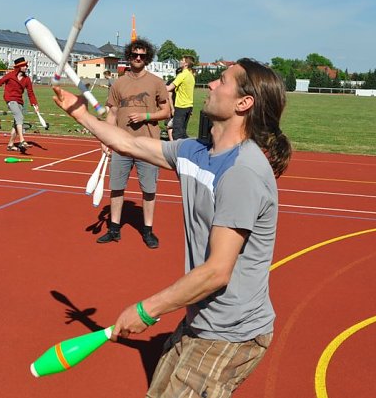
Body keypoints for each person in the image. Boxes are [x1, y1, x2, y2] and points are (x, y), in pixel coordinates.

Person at [52, 58, 292, 397]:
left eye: (221, 81)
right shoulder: (196, 151)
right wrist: (80, 114)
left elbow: (217, 272)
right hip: (202, 318)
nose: (210, 85)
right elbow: (130, 144)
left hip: (230, 331)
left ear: (243, 103)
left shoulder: (242, 173)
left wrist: (146, 310)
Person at [97, 38, 170, 248]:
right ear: (129, 56)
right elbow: (112, 112)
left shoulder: (156, 82)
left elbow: (166, 111)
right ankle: (113, 229)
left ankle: (147, 230)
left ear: (147, 58)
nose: (138, 58)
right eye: (135, 55)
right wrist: (105, 138)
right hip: (121, 144)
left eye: (143, 56)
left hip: (148, 146)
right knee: (117, 188)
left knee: (148, 190)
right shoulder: (118, 82)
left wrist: (146, 116)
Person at [0, 57, 40, 152]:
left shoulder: (27, 79)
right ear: (18, 67)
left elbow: (30, 93)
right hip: (10, 99)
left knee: (16, 123)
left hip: (19, 101)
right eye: (24, 65)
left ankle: (10, 145)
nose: (26, 67)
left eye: (26, 65)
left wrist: (35, 104)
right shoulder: (10, 75)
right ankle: (22, 140)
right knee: (20, 117)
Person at [166, 56, 196, 140]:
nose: (180, 61)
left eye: (182, 60)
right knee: (182, 132)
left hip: (181, 107)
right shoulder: (191, 76)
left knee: (177, 134)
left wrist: (156, 85)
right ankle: (188, 149)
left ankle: (179, 152)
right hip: (188, 107)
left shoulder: (182, 75)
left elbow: (168, 88)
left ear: (186, 63)